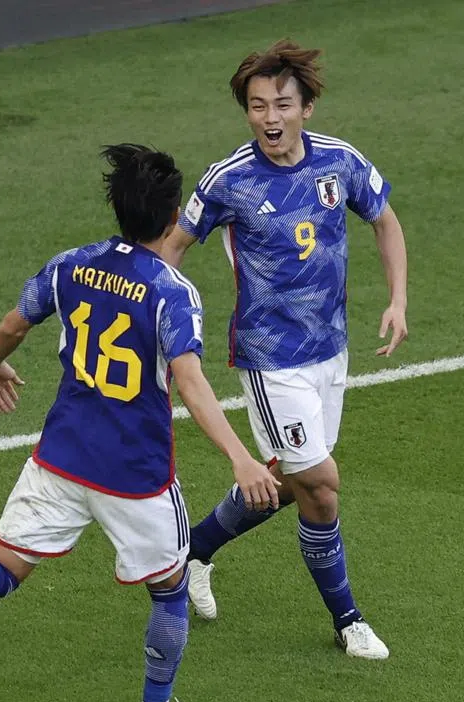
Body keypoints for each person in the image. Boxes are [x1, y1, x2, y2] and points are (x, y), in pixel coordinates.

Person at [0, 144, 280, 702]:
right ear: (173, 218)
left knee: (5, 566)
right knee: (171, 591)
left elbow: (15, 322)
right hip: (136, 476)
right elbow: (192, 382)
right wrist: (240, 456)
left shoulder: (71, 264)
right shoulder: (172, 292)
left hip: (60, 459)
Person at [162, 40, 409, 660]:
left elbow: (384, 219)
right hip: (271, 359)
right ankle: (348, 620)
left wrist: (397, 300)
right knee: (321, 484)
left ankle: (194, 552)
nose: (270, 118)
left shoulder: (339, 162)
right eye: (256, 106)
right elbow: (171, 249)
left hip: (331, 351)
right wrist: (161, 327)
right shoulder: (229, 180)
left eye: (282, 104)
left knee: (289, 480)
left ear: (307, 107)